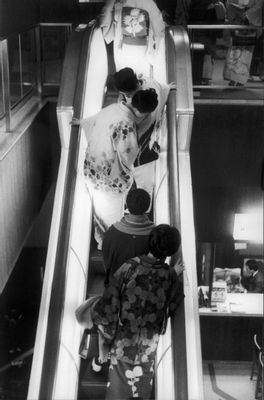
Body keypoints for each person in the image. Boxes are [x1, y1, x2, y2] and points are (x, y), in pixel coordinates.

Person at [91, 224, 184, 399]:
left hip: (123, 343)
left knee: (118, 392)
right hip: (148, 347)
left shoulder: (130, 267)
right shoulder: (169, 276)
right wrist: (173, 273)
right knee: (141, 390)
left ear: (150, 242)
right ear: (171, 252)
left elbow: (108, 305)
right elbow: (173, 304)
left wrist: (105, 340)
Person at [71, 89, 158, 249]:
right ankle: (109, 246)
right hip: (109, 181)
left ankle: (101, 241)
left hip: (92, 171)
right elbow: (129, 156)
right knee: (111, 217)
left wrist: (80, 122)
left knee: (98, 213)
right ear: (143, 113)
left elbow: (92, 121)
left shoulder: (112, 108)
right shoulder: (126, 125)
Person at [112, 67, 172, 204]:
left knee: (137, 177)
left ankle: (134, 204)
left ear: (126, 92)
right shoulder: (151, 84)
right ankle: (144, 205)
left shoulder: (136, 109)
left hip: (139, 148)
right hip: (150, 146)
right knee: (144, 182)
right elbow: (164, 89)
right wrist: (169, 88)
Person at [102, 188, 155, 284]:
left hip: (116, 283)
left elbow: (106, 257)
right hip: (141, 287)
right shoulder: (155, 234)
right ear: (148, 207)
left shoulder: (112, 231)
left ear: (126, 205)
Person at [99, 0, 165, 76]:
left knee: (125, 76)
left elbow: (105, 16)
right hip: (143, 46)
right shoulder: (149, 3)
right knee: (143, 77)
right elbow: (159, 29)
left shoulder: (119, 2)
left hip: (123, 46)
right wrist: (157, 51)